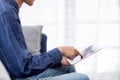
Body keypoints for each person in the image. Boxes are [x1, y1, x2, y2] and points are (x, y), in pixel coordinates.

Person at [0, 0, 89, 80]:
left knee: (69, 68)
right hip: (17, 75)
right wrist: (60, 51)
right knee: (82, 77)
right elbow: (23, 68)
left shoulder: (7, 7)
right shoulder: (7, 13)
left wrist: (57, 58)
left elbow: (21, 61)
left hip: (17, 71)